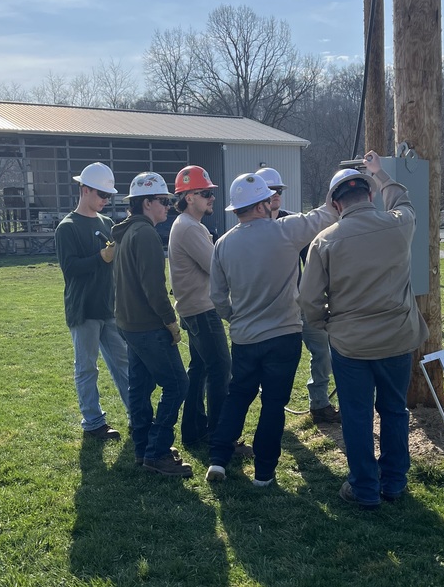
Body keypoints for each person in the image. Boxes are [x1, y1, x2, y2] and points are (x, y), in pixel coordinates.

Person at [299, 151, 429, 509]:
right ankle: (395, 483)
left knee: (356, 418)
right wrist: (380, 172)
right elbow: (403, 200)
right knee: (394, 411)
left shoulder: (324, 241)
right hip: (398, 339)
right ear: (369, 195)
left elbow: (309, 300)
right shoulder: (399, 223)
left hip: (351, 345)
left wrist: (327, 324)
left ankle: (365, 489)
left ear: (336, 204)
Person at [206, 173, 337, 486]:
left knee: (237, 396)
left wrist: (233, 316)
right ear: (263, 204)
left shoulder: (223, 244)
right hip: (284, 335)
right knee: (273, 405)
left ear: (236, 209)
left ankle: (218, 460)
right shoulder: (285, 231)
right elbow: (326, 214)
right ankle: (264, 473)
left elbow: (216, 296)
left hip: (244, 337)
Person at [113, 172, 192, 477]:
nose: (169, 207)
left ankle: (143, 447)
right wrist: (170, 322)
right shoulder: (144, 234)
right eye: (164, 201)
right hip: (147, 327)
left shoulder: (124, 232)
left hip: (130, 325)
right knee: (177, 385)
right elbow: (154, 288)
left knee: (141, 386)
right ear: (147, 203)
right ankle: (157, 452)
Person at [256, 166, 339, 426]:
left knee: (322, 352)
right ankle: (270, 408)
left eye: (279, 190)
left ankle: (320, 403)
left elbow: (311, 261)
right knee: (270, 360)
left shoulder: (294, 224)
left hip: (300, 304)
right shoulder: (253, 229)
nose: (276, 195)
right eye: (271, 191)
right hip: (271, 307)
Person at [55, 162, 130, 440]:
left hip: (109, 307)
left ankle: (137, 416)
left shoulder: (107, 223)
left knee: (123, 365)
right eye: (101, 194)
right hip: (83, 309)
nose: (105, 200)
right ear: (84, 190)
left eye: (108, 196)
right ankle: (93, 422)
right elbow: (70, 269)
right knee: (86, 368)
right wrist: (101, 258)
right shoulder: (67, 227)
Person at [167, 165, 231, 448]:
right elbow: (217, 267)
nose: (211, 198)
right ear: (189, 197)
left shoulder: (190, 225)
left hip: (194, 309)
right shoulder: (190, 227)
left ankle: (194, 431)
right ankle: (220, 436)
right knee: (220, 369)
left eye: (211, 193)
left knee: (201, 369)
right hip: (202, 310)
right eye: (205, 193)